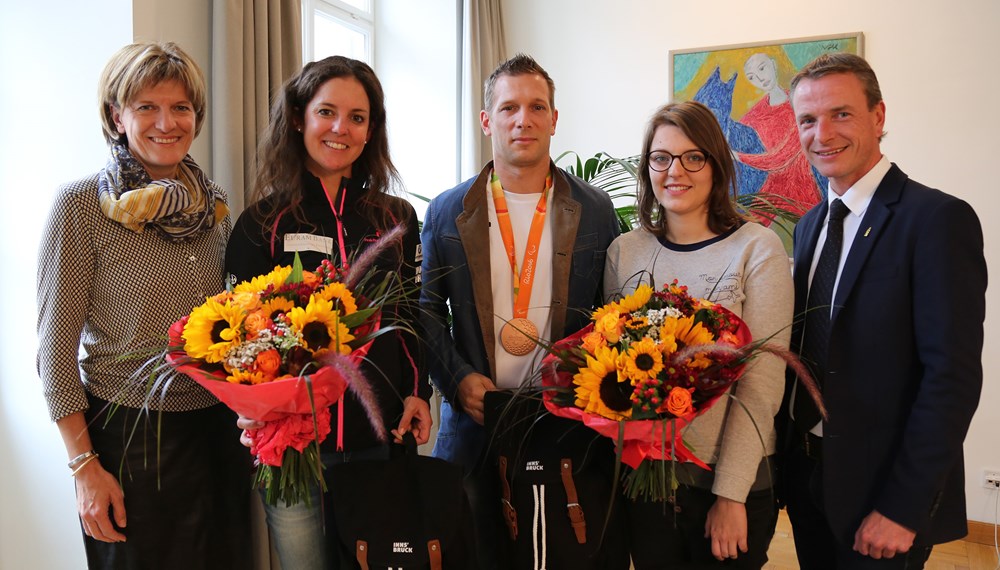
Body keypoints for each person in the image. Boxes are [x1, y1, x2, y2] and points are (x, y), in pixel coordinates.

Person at [36, 42, 251, 569]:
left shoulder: (214, 205)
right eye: (146, 107)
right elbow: (54, 356)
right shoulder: (81, 205)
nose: (167, 122)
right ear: (117, 116)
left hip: (218, 433)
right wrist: (85, 467)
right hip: (129, 437)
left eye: (180, 108)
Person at [420, 53, 628, 570]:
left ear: (554, 119)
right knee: (476, 549)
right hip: (475, 424)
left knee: (561, 551)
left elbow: (616, 312)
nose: (524, 119)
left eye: (537, 107)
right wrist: (458, 379)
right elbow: (424, 308)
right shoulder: (448, 210)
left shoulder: (595, 209)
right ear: (488, 120)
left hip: (565, 424)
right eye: (509, 107)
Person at [225, 55, 433, 570]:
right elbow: (235, 336)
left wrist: (417, 392)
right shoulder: (260, 223)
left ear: (371, 131)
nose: (341, 128)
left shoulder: (396, 218)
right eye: (327, 112)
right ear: (299, 118)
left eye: (357, 117)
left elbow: (411, 317)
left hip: (379, 438)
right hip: (294, 451)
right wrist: (248, 403)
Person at [782, 52, 986, 568]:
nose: (822, 133)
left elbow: (951, 378)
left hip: (882, 493)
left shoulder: (936, 219)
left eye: (841, 114)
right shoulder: (809, 226)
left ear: (879, 116)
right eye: (808, 119)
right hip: (808, 479)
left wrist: (904, 507)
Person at [604, 100, 793, 568]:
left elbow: (762, 383)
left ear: (716, 165)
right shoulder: (624, 252)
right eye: (661, 157)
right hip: (648, 482)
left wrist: (731, 496)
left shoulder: (756, 248)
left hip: (729, 482)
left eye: (693, 157)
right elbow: (612, 367)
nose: (675, 171)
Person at [737, 52, 826, 215]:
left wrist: (739, 156)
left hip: (803, 191)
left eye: (762, 68)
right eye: (752, 77)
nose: (760, 78)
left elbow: (779, 158)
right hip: (770, 192)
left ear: (773, 64)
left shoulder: (800, 108)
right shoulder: (753, 117)